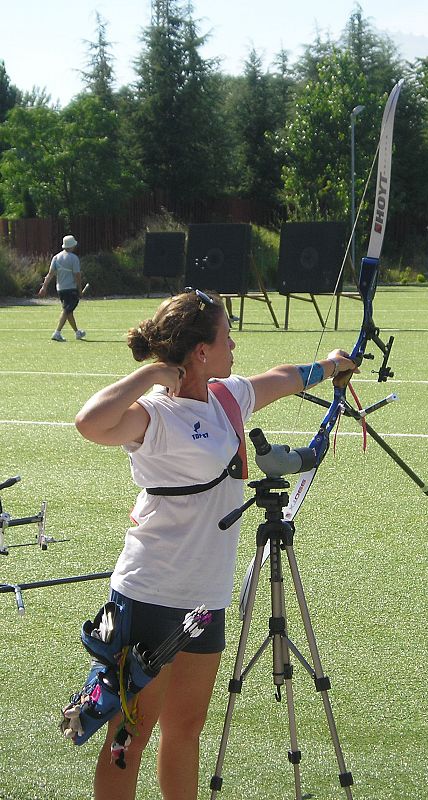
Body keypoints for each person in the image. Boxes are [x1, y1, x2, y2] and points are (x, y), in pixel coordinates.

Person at [74, 288, 356, 800]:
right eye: (227, 338)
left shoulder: (227, 394)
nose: (234, 346)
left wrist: (328, 366)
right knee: (129, 733)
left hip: (204, 595)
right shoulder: (155, 414)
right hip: (150, 593)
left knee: (186, 728)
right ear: (201, 351)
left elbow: (278, 379)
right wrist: (152, 375)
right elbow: (89, 423)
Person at [38, 234, 86, 340]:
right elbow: (77, 276)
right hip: (71, 289)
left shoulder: (56, 257)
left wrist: (44, 287)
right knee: (67, 310)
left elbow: (50, 274)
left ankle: (77, 332)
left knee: (68, 310)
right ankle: (57, 332)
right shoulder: (74, 258)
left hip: (60, 289)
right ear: (72, 246)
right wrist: (80, 290)